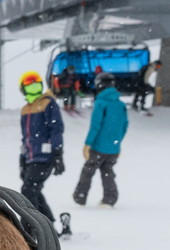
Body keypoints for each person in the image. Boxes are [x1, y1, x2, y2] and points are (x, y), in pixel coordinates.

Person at [73, 74, 128, 207]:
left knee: (88, 170)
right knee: (107, 171)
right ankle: (110, 199)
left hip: (98, 146)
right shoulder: (120, 104)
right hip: (113, 148)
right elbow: (124, 125)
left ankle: (80, 196)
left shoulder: (100, 103)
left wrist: (88, 144)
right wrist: (118, 143)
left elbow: (95, 126)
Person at [17, 71, 64, 217]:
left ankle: (31, 228)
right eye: (29, 84)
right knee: (33, 190)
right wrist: (23, 157)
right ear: (23, 88)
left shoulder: (48, 103)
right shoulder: (26, 109)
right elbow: (26, 137)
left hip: (45, 157)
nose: (33, 87)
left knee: (28, 191)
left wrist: (57, 153)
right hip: (32, 158)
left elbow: (56, 129)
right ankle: (48, 224)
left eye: (35, 84)